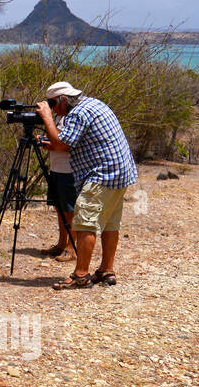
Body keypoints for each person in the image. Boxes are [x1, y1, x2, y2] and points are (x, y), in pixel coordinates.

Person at [35, 81, 137, 290]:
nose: (54, 109)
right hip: (121, 173)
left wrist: (46, 118)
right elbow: (78, 143)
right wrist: (53, 140)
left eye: (53, 104)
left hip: (102, 175)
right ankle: (106, 270)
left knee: (84, 224)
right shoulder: (94, 104)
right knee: (110, 223)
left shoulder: (77, 114)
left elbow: (61, 144)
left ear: (64, 99)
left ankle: (81, 275)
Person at [38, 114, 78, 261]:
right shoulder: (56, 117)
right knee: (59, 207)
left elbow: (69, 144)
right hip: (56, 168)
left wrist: (51, 144)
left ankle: (71, 247)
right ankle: (61, 244)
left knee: (70, 210)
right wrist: (45, 141)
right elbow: (57, 141)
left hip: (69, 170)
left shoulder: (72, 118)